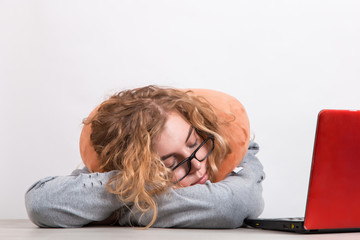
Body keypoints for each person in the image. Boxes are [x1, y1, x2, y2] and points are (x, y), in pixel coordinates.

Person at [25, 85, 265, 228]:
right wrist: (136, 183)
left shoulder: (233, 149)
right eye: (172, 164)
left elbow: (231, 205)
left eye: (194, 143)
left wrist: (123, 212)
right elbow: (41, 203)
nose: (197, 166)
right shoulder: (124, 175)